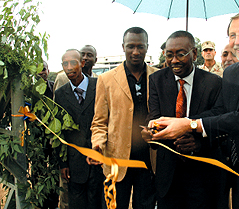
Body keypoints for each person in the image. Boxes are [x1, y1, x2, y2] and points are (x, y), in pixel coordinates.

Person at [147, 12, 239, 209]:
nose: (237, 42)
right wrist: (179, 124)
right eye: (232, 35)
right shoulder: (232, 73)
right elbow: (220, 111)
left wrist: (189, 124)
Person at [142, 30, 226, 209]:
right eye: (169, 55)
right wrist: (151, 134)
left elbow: (220, 122)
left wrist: (198, 141)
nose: (174, 61)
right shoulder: (156, 80)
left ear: (194, 54)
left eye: (181, 54)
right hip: (168, 176)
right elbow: (155, 117)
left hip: (203, 173)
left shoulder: (214, 83)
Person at [87, 27, 157, 209]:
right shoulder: (107, 80)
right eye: (131, 46)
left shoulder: (158, 76)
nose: (135, 51)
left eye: (140, 46)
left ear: (147, 47)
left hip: (149, 161)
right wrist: (97, 144)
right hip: (116, 160)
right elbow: (99, 121)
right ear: (123, 47)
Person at [54, 49, 104, 209]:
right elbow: (60, 130)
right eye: (65, 64)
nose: (69, 67)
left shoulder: (100, 87)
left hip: (99, 160)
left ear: (82, 63)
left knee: (97, 202)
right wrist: (63, 164)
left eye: (73, 63)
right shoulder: (60, 94)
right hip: (74, 164)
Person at [37, 60, 59, 209]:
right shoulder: (29, 90)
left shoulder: (54, 88)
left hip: (53, 135)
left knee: (54, 169)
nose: (41, 72)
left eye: (43, 69)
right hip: (37, 137)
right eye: (38, 70)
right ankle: (39, 202)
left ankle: (53, 202)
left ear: (48, 70)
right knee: (38, 170)